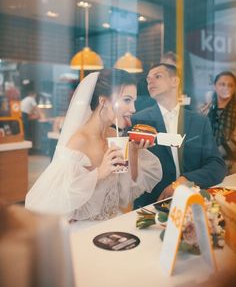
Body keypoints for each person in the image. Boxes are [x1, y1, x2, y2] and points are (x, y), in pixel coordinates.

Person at [25, 69, 162, 224]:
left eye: (133, 101)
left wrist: (134, 152)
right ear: (103, 101)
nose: (133, 109)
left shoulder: (114, 136)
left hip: (113, 224)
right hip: (84, 230)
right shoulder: (78, 142)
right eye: (127, 100)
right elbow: (48, 203)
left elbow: (125, 195)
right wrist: (98, 174)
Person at [132, 63, 227, 208]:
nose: (150, 81)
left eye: (157, 76)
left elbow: (217, 165)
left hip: (193, 202)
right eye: (148, 79)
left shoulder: (199, 121)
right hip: (151, 205)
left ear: (175, 81)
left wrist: (185, 180)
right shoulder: (138, 121)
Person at [200, 71, 236, 174]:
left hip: (230, 166)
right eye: (222, 84)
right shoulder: (204, 109)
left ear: (234, 89)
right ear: (215, 86)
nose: (226, 88)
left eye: (230, 85)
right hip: (204, 165)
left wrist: (213, 154)